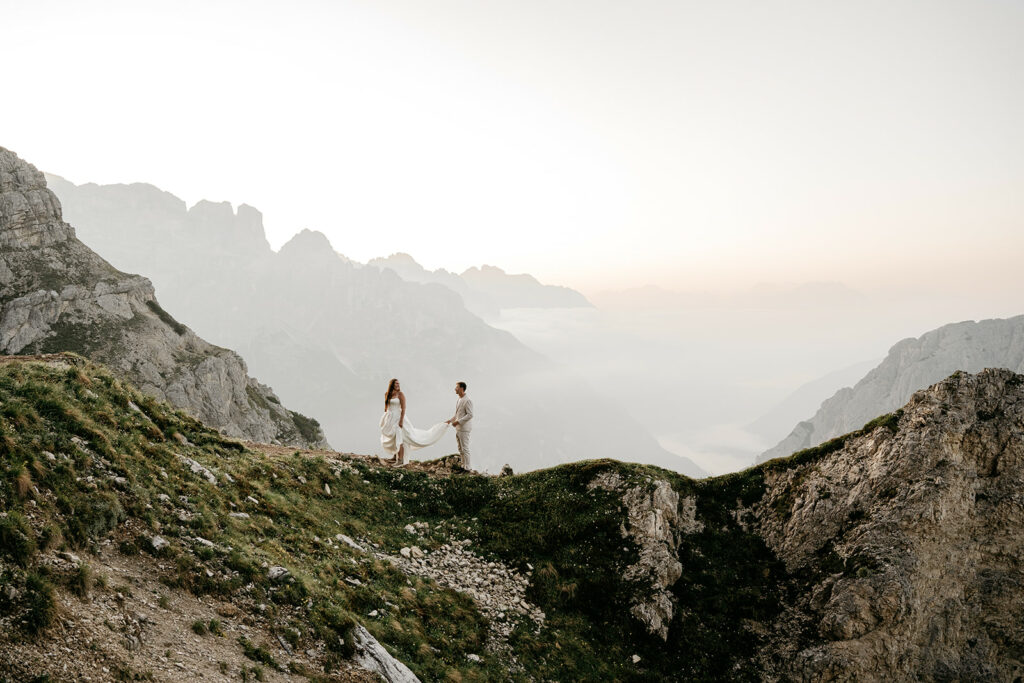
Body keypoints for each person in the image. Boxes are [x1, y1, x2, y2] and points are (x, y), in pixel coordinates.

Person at [379, 379, 449, 465]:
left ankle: (400, 460)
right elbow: (386, 406)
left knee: (400, 437)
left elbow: (404, 408)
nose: (398, 385)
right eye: (396, 383)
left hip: (398, 417)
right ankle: (395, 457)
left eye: (398, 383)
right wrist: (386, 417)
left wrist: (401, 420)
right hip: (390, 418)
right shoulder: (387, 394)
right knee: (394, 437)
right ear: (392, 384)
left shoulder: (400, 394)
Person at [445, 381, 474, 469]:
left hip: (464, 428)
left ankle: (468, 468)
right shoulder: (459, 399)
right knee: (460, 448)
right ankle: (463, 466)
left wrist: (458, 422)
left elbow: (470, 415)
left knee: (465, 448)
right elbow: (457, 414)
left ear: (461, 388)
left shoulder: (467, 400)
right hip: (458, 428)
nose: (455, 389)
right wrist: (450, 420)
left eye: (457, 387)